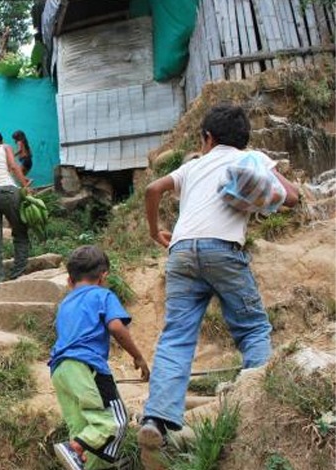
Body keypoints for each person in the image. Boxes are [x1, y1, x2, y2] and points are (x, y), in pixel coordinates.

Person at [137, 104, 299, 468]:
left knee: (176, 336)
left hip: (180, 251)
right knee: (253, 327)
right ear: (243, 140)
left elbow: (153, 188)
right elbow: (291, 197)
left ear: (206, 139)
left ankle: (156, 420)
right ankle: (260, 405)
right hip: (223, 249)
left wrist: (153, 231)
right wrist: (269, 170)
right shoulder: (252, 158)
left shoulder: (193, 165)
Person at [50, 245, 149, 470]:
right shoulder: (102, 294)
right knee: (114, 420)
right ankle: (73, 447)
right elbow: (116, 326)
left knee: (84, 426)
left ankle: (85, 462)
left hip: (59, 370)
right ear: (103, 276)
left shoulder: (65, 303)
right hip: (87, 367)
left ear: (69, 280)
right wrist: (138, 357)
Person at [0, 128, 31, 283]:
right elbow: (14, 167)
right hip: (8, 192)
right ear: (0, 139)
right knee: (20, 232)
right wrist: (25, 186)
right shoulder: (5, 147)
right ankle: (18, 271)